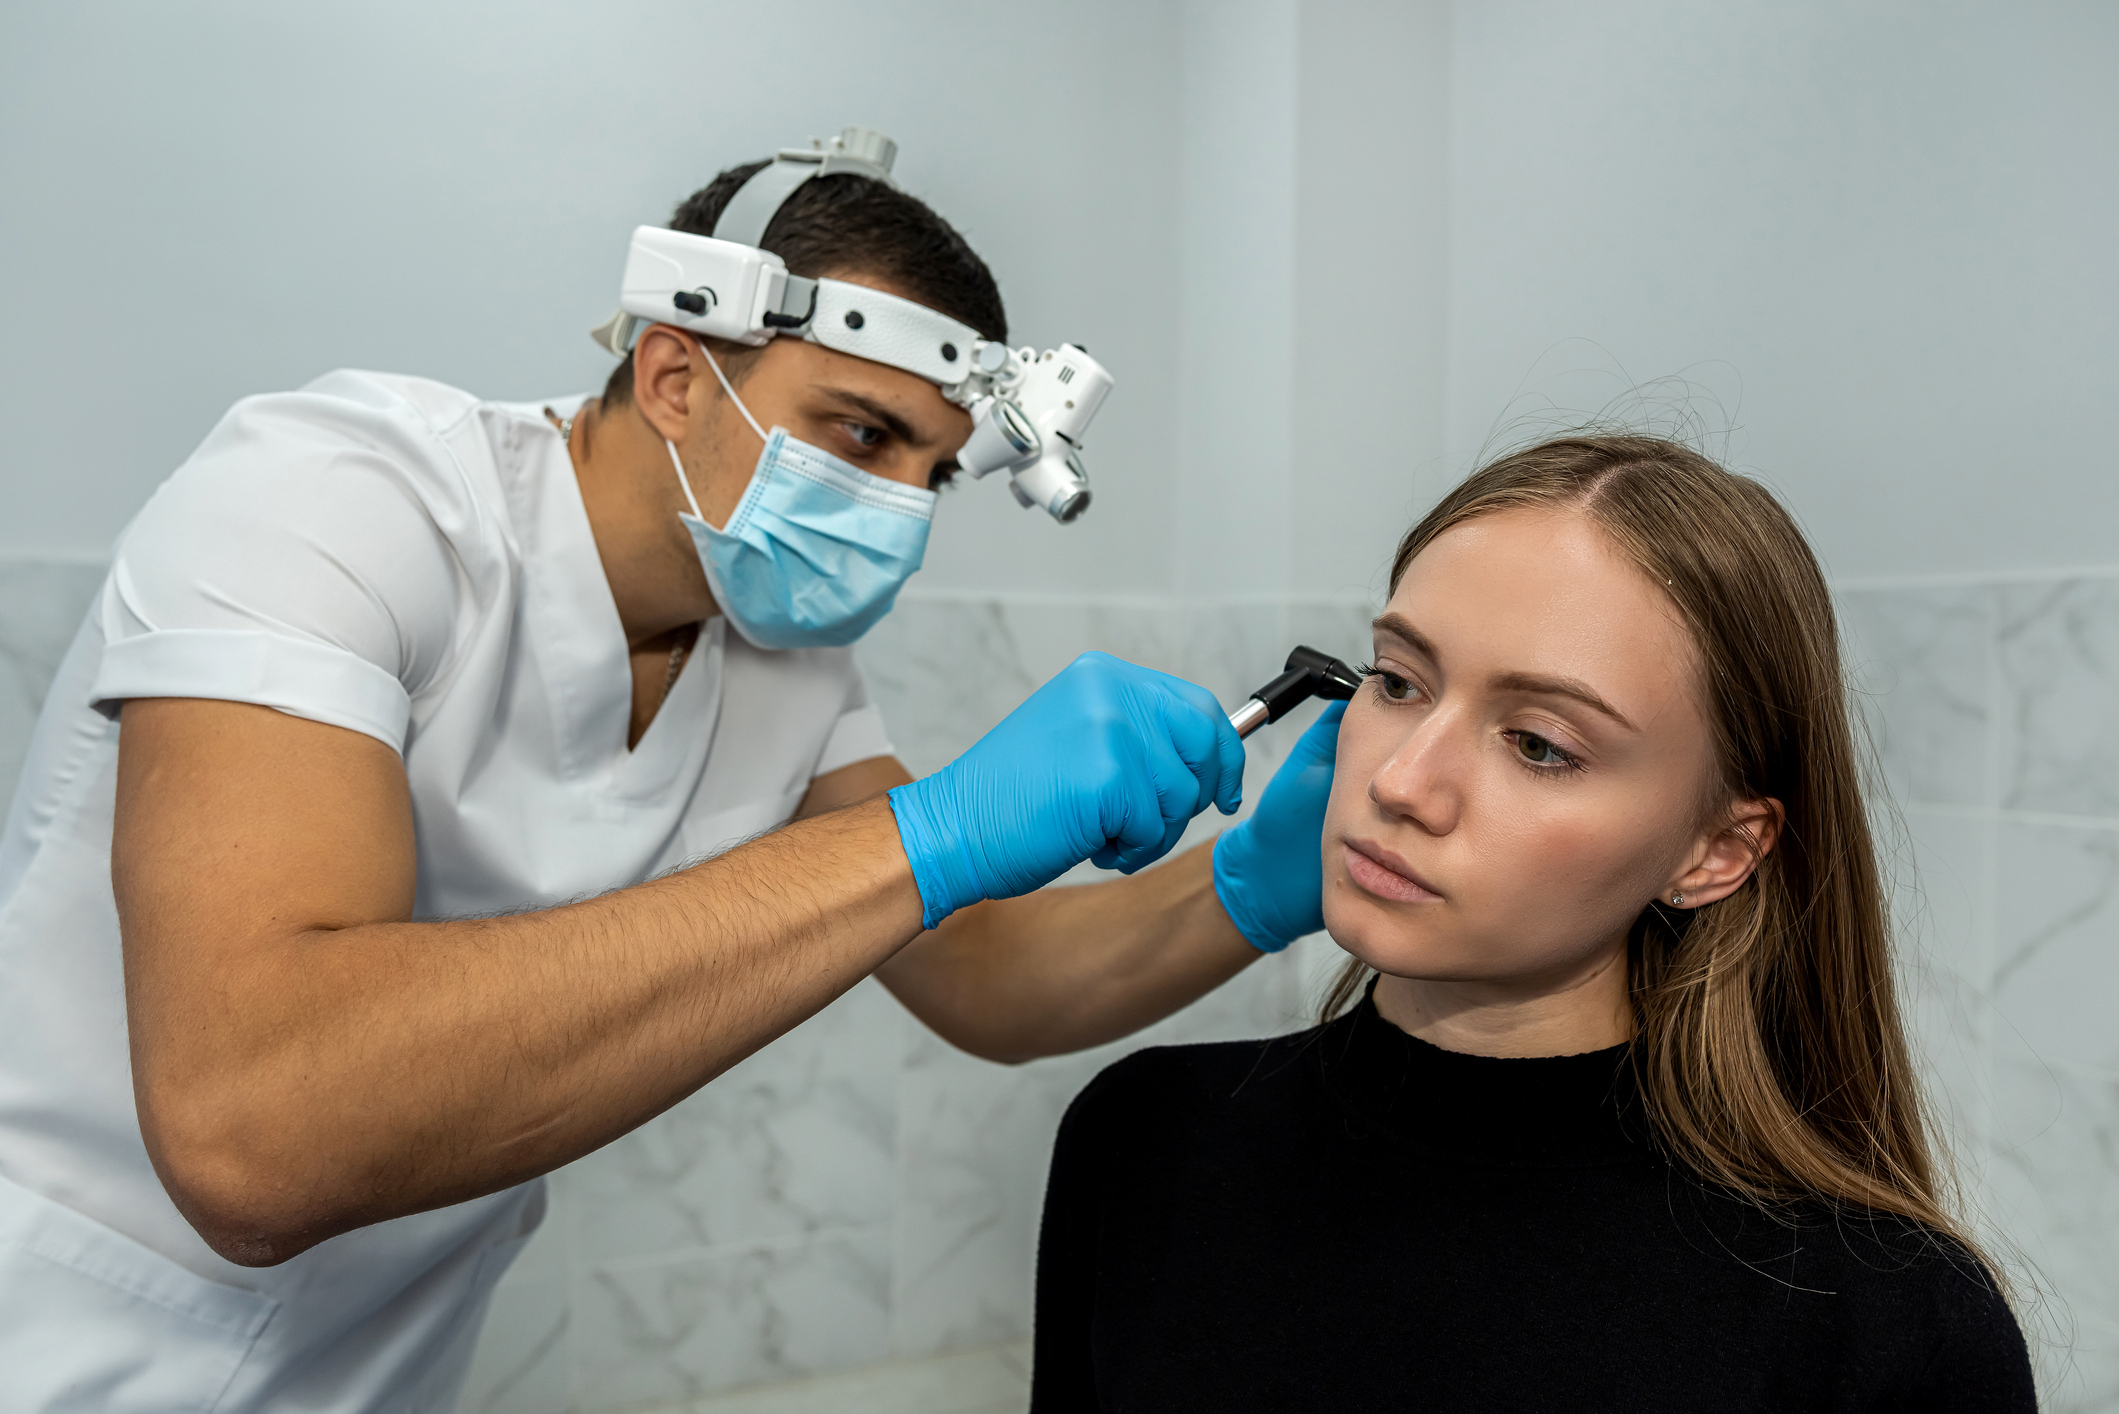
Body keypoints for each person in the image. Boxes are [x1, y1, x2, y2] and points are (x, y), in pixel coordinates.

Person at [0, 140, 1330, 1411]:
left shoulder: (778, 665)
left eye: (931, 472)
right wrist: (926, 833)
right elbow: (253, 1128)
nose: (899, 515)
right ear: (674, 373)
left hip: (376, 1361)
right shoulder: (340, 498)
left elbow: (981, 972)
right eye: (858, 436)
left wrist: (1256, 880)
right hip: (62, 1328)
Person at [1029, 435, 2038, 1412]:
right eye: (1397, 680)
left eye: (1539, 744)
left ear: (1715, 850)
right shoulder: (1142, 1144)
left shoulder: (1885, 1322)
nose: (1399, 779)